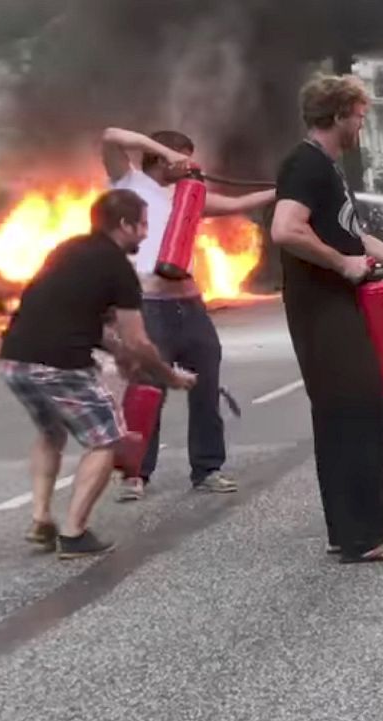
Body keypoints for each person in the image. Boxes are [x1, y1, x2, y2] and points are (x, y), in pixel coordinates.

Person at [271, 74, 383, 564]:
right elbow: (286, 230)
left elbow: (359, 240)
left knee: (341, 417)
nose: (361, 126)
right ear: (337, 116)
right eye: (358, 117)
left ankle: (347, 531)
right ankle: (367, 536)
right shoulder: (306, 164)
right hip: (321, 308)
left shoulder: (324, 168)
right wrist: (341, 264)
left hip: (334, 307)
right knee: (357, 414)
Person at [0, 189, 196, 558]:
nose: (145, 233)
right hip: (58, 364)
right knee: (106, 438)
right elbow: (139, 341)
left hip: (13, 359)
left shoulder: (67, 249)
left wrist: (118, 354)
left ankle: (41, 518)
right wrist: (170, 377)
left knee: (50, 431)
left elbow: (76, 317)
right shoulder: (119, 269)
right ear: (125, 225)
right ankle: (74, 534)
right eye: (143, 225)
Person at [103, 127, 275, 500]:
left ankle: (208, 468)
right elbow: (110, 135)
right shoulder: (129, 184)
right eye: (183, 157)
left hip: (190, 305)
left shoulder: (189, 197)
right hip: (150, 306)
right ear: (160, 158)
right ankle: (135, 473)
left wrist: (284, 190)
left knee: (205, 386)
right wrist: (162, 149)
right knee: (148, 389)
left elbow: (235, 203)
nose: (190, 165)